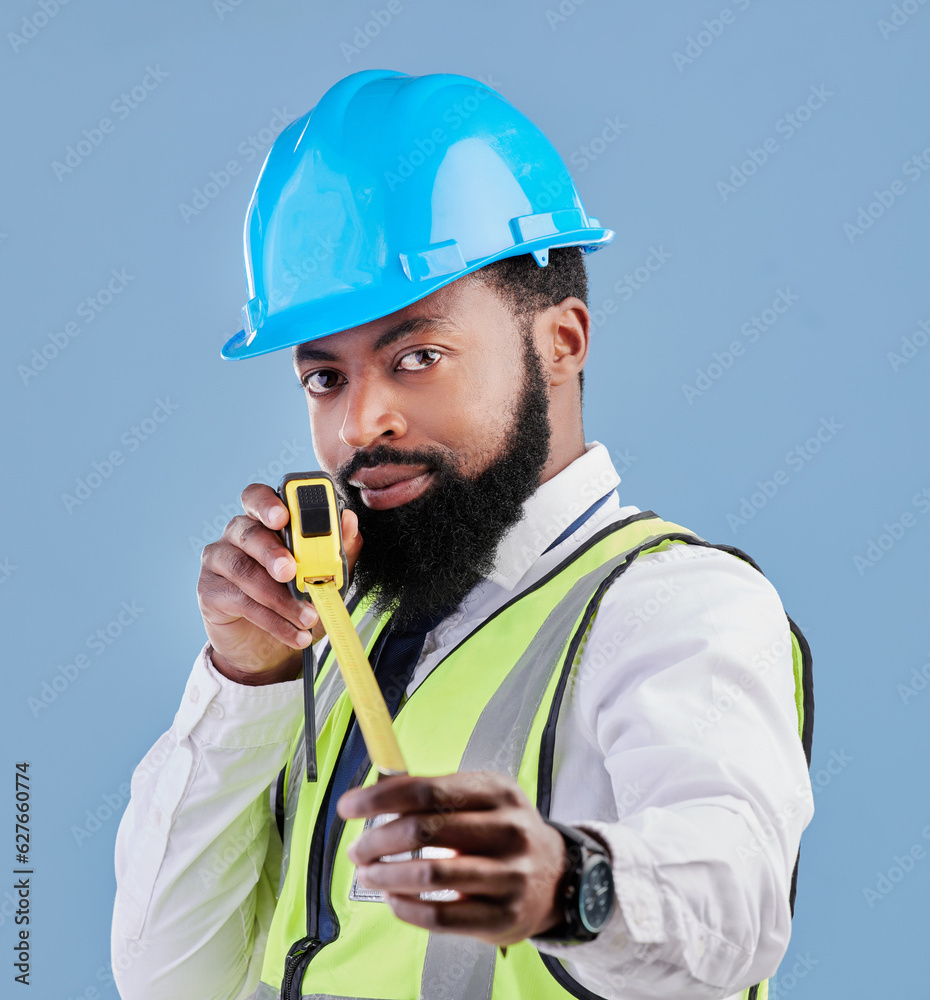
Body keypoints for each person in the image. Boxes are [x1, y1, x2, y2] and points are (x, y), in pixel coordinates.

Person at [111, 69, 814, 1000]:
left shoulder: (675, 606)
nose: (362, 424)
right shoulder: (336, 626)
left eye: (417, 357)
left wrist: (570, 882)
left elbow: (737, 909)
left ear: (561, 342)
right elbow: (170, 980)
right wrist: (248, 683)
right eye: (325, 378)